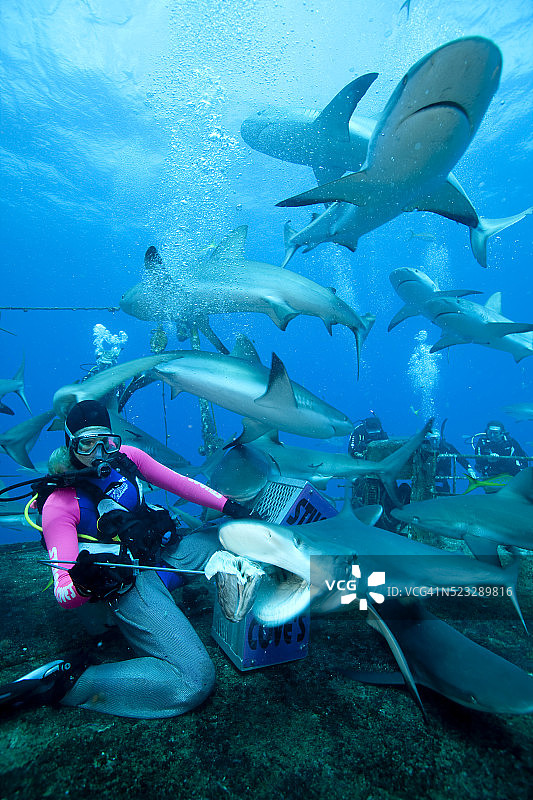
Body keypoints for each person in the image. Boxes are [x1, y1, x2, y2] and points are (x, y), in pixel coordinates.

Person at [0, 400, 263, 719]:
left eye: (105, 442)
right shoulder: (60, 504)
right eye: (86, 444)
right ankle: (66, 682)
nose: (99, 454)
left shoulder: (128, 461)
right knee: (193, 682)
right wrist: (84, 585)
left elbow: (179, 483)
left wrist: (228, 507)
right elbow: (63, 593)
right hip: (127, 585)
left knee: (240, 538)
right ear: (70, 444)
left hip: (159, 558)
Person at [421, 422, 477, 495]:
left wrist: (469, 468)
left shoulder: (447, 447)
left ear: (440, 438)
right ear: (427, 439)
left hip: (443, 476)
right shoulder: (422, 448)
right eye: (432, 439)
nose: (434, 442)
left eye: (436, 439)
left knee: (445, 494)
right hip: (425, 478)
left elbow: (459, 457)